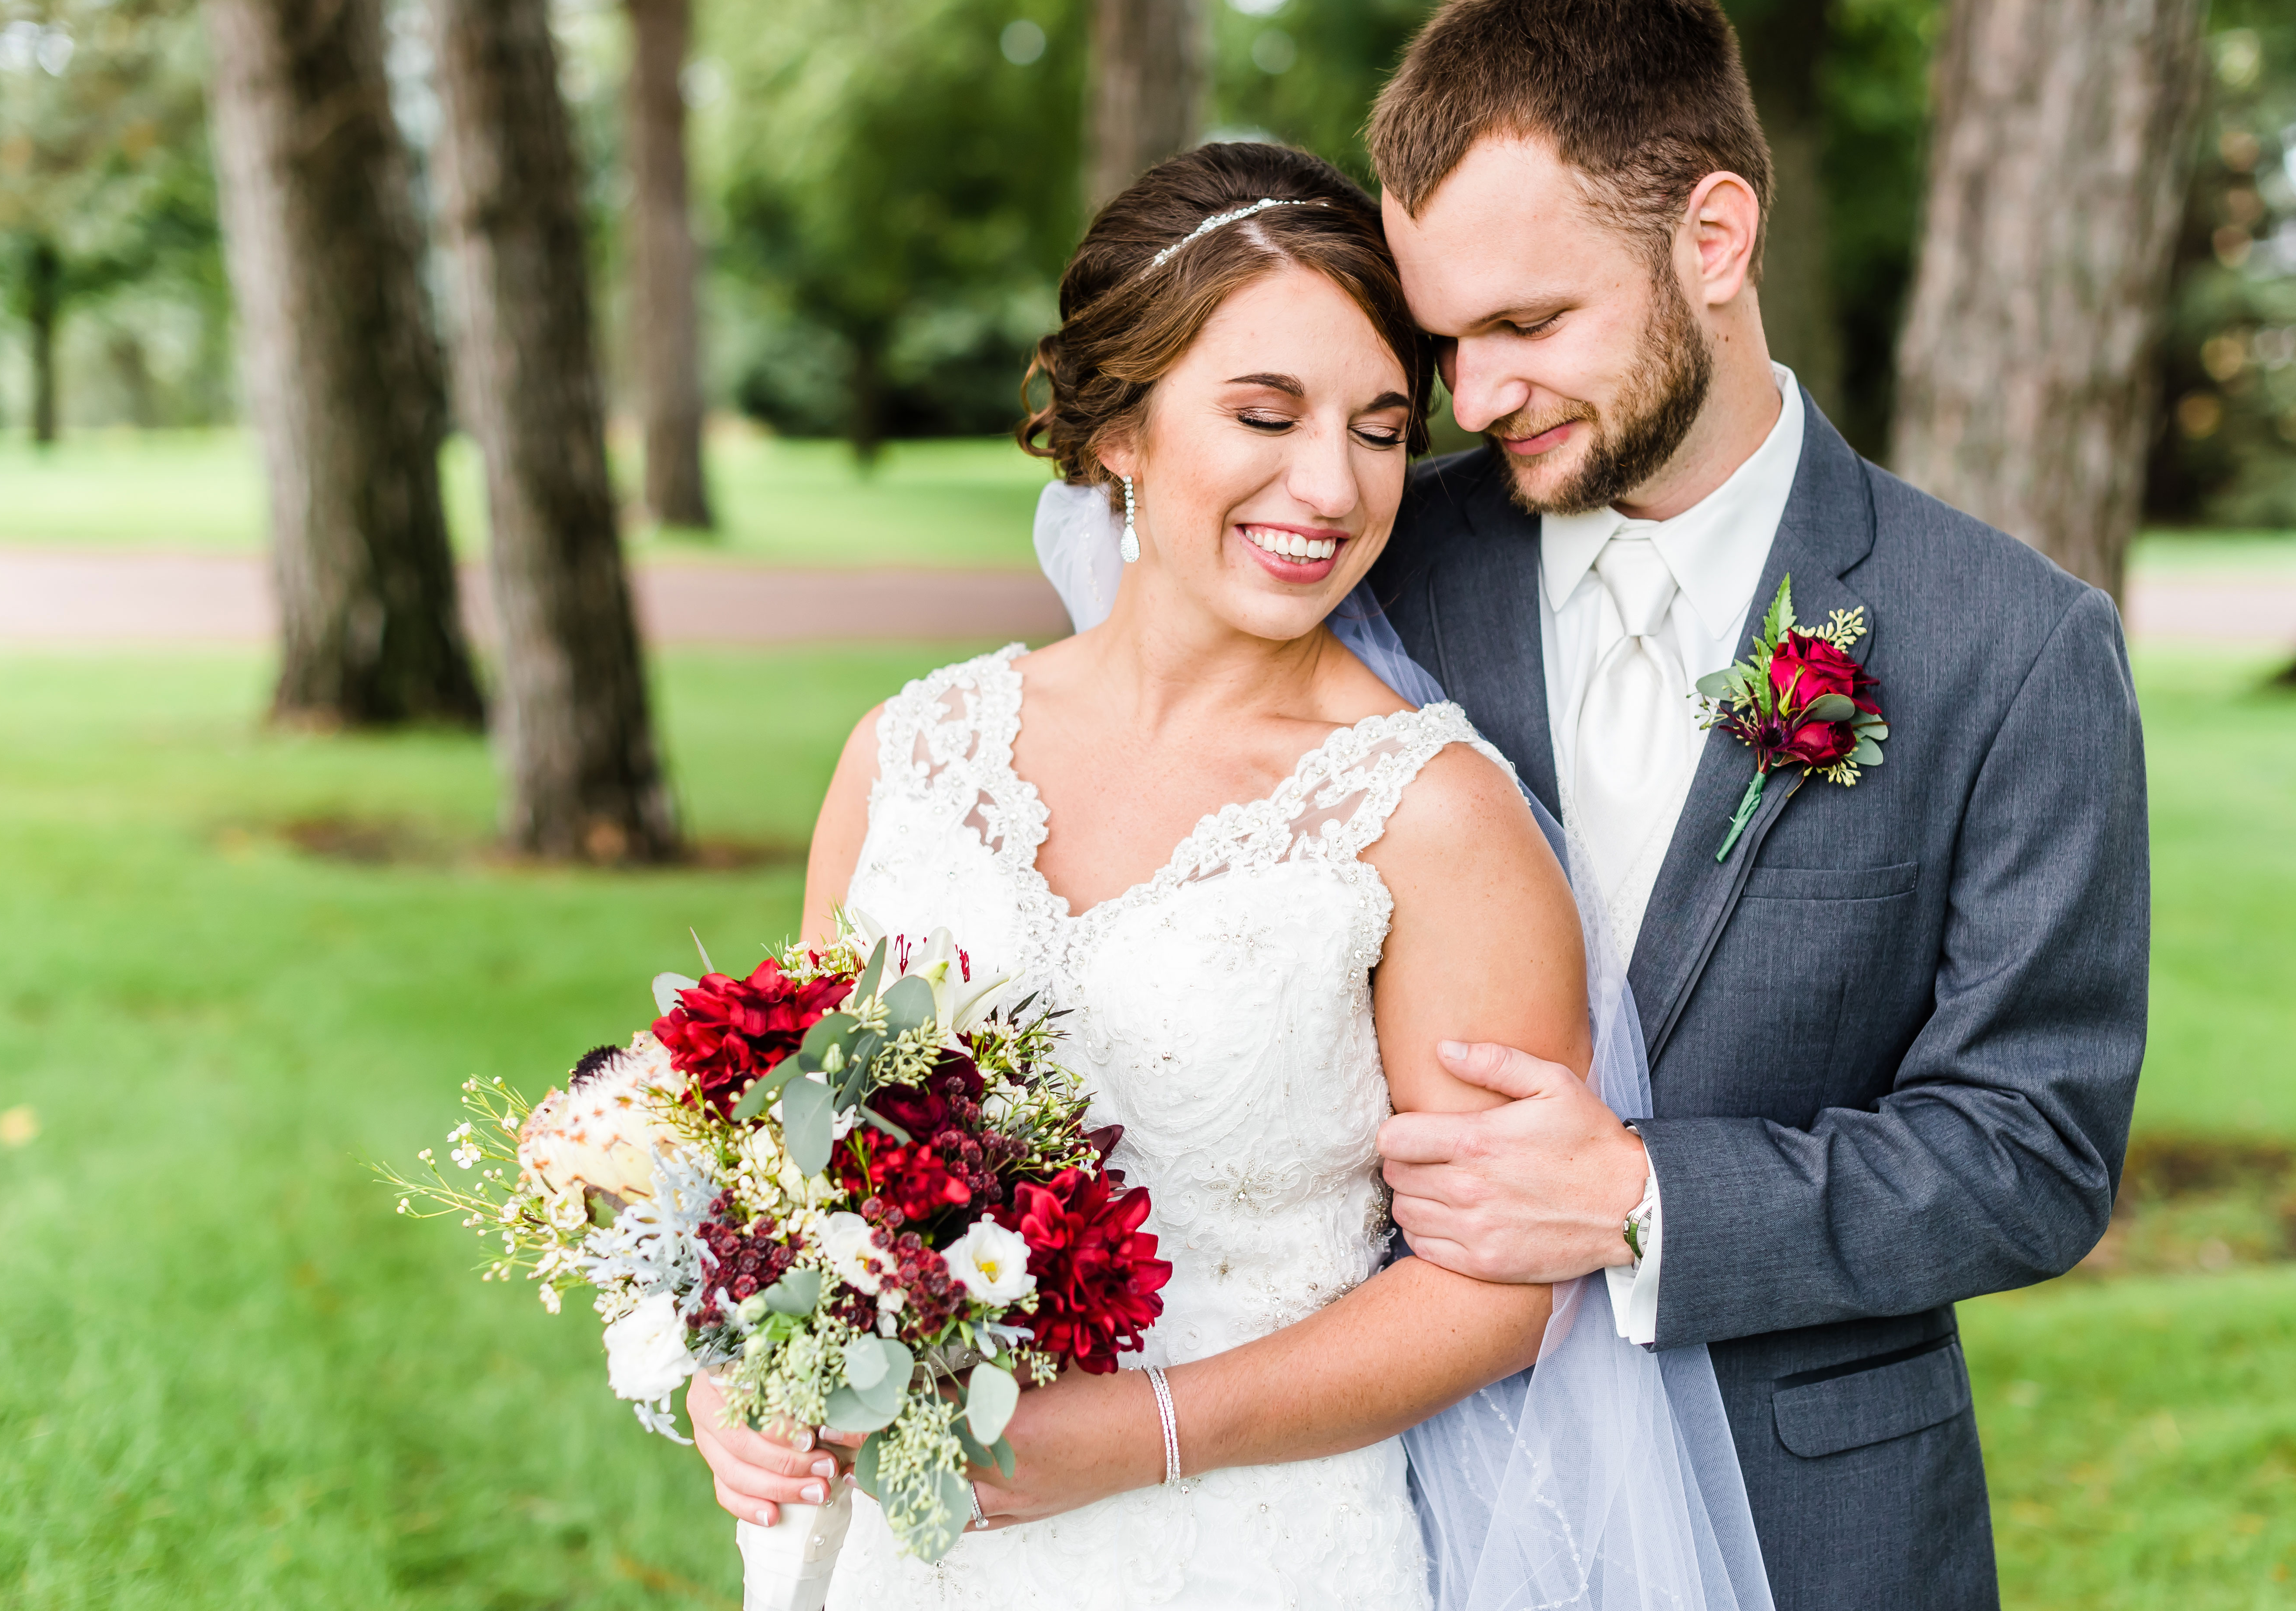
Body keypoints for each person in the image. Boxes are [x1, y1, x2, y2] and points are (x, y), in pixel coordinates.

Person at [689, 139, 1770, 1610]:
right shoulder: (908, 753)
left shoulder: (1428, 816)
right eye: (1265, 413)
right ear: (1119, 429)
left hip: (1248, 1545)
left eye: (1382, 429)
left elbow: (1507, 1288)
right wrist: (740, 1373)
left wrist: (1144, 1436)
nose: (1328, 485)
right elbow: (782, 1162)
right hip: (892, 1549)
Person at [1359, 0, 2152, 1610]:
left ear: (1713, 240)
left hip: (1814, 1536)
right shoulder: (1377, 580)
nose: (1473, 394)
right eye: (1445, 340)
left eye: (1528, 321)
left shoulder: (2010, 646)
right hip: (1395, 1503)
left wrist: (1643, 1200)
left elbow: (2036, 1151)